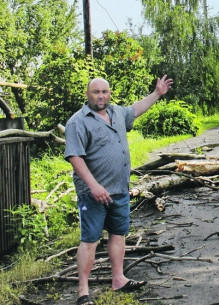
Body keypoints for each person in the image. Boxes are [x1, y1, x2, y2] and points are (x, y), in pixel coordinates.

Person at [65, 75, 173, 305]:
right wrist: (94, 186)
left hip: (119, 189)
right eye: (96, 92)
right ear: (87, 94)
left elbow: (135, 109)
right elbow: (75, 156)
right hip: (92, 193)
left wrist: (157, 94)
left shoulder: (116, 113)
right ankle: (83, 292)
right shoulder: (78, 122)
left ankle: (118, 279)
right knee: (90, 240)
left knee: (118, 233)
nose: (101, 96)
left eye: (104, 91)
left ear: (109, 93)